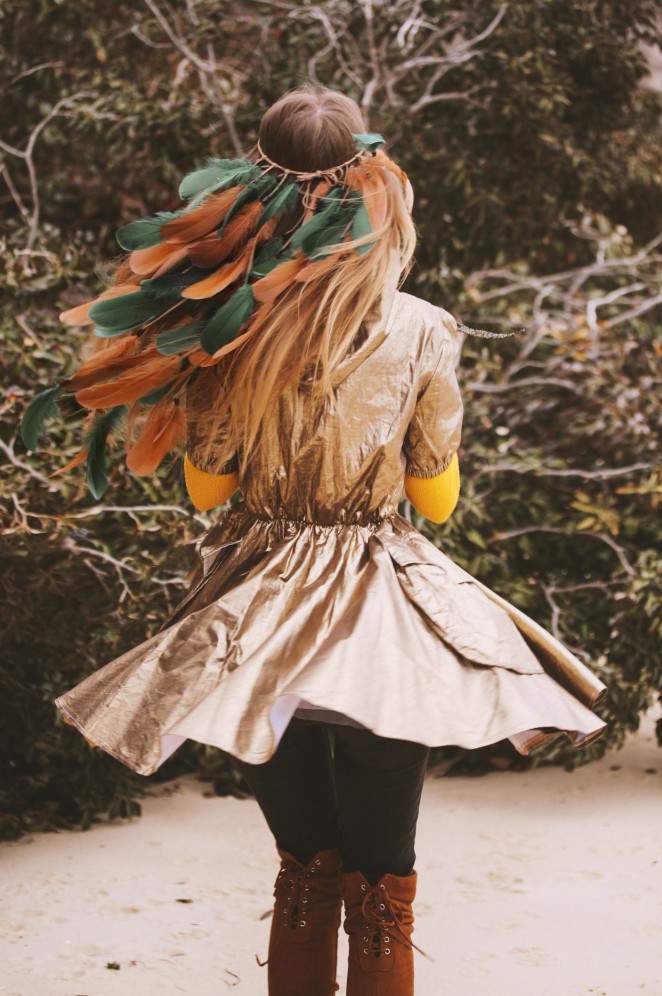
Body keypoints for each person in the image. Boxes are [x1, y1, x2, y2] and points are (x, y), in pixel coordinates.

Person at [42, 84, 609, 995]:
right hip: (378, 614)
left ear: (251, 193)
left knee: (303, 867)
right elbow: (435, 501)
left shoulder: (224, 326)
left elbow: (206, 488)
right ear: (374, 189)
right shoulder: (422, 327)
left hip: (258, 611)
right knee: (384, 881)